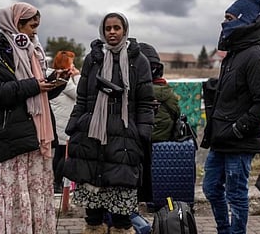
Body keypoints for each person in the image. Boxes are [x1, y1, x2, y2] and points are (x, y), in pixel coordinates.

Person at [0, 2, 67, 233]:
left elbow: (37, 92)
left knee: (35, 193)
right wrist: (35, 85)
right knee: (13, 194)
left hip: (35, 137)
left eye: (37, 27)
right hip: (11, 140)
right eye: (32, 26)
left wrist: (54, 82)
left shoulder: (32, 53)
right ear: (16, 24)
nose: (35, 31)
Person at [63, 12, 155, 234]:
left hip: (124, 136)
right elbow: (83, 97)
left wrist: (142, 132)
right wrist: (75, 126)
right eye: (108, 28)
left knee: (122, 204)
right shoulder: (92, 59)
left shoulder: (138, 60)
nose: (112, 32)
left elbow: (145, 102)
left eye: (116, 28)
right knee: (93, 205)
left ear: (125, 30)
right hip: (92, 135)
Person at [200, 0, 260, 233]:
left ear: (244, 20)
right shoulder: (233, 55)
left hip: (239, 142)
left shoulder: (255, 55)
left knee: (236, 194)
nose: (225, 23)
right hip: (221, 140)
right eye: (224, 18)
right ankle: (225, 229)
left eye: (230, 18)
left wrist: (238, 128)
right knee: (211, 188)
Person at [49, 51, 81, 193]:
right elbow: (79, 93)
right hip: (63, 121)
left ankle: (56, 182)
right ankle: (57, 183)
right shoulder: (64, 79)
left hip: (57, 119)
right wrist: (77, 76)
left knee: (58, 154)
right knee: (62, 154)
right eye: (71, 63)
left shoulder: (52, 76)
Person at [139, 42, 180, 143]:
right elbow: (176, 116)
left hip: (138, 146)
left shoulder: (134, 94)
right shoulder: (170, 95)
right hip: (163, 145)